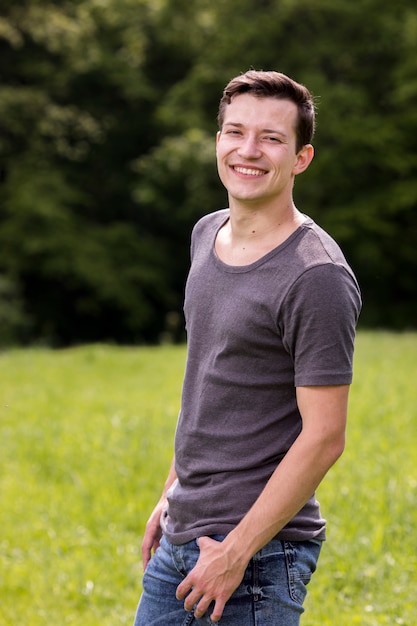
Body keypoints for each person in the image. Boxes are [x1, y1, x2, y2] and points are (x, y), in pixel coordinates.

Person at [133, 70, 361, 626]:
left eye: (272, 138)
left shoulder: (316, 276)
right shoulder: (205, 234)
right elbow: (211, 385)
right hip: (186, 531)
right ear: (218, 143)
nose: (249, 151)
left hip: (257, 555)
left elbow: (325, 435)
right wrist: (172, 492)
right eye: (236, 132)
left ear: (302, 158)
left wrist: (236, 553)